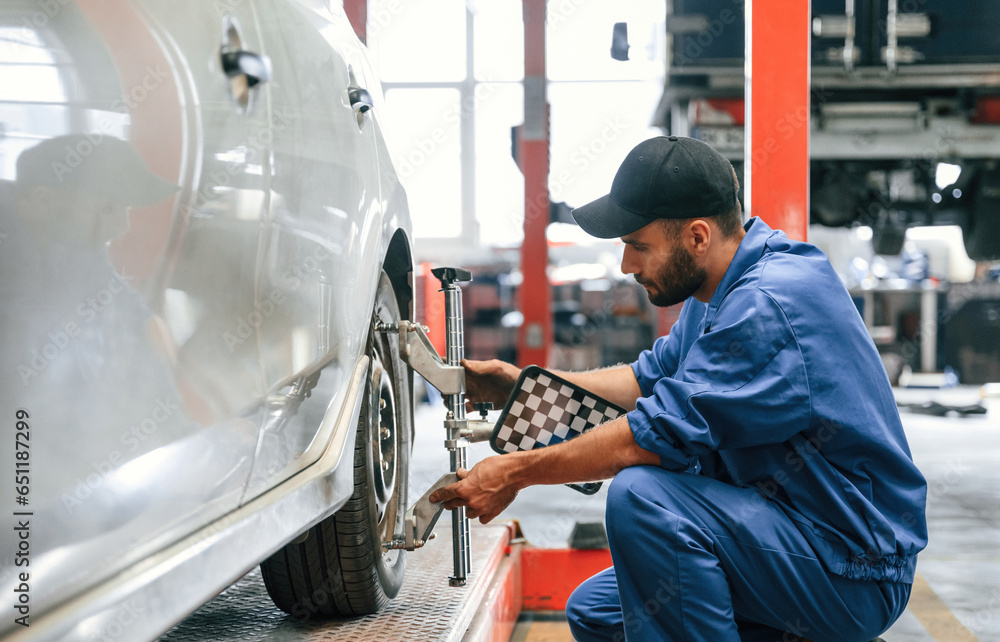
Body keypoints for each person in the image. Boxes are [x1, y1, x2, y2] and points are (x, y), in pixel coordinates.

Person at [430, 136, 927, 641]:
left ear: (696, 237)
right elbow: (645, 380)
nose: (626, 264)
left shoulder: (766, 306)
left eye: (638, 246)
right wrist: (522, 385)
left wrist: (514, 472)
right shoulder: (722, 288)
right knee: (598, 615)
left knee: (645, 499)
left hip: (851, 567)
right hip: (793, 532)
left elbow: (642, 438)